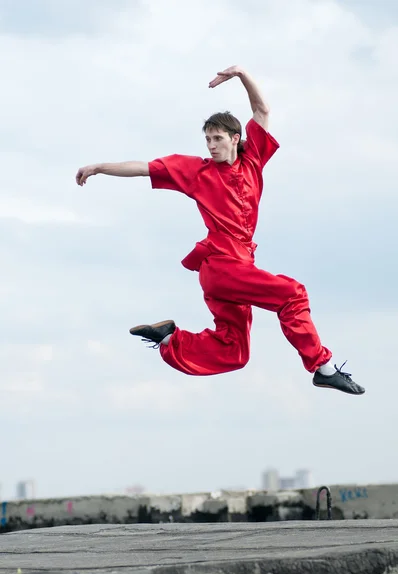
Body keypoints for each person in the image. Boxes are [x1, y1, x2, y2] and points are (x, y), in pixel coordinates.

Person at [76, 65, 365, 395]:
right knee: (292, 293)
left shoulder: (253, 159)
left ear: (235, 138)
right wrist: (99, 167)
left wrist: (242, 74)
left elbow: (262, 109)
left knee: (235, 351)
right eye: (207, 139)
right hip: (222, 266)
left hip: (239, 268)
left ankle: (170, 338)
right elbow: (143, 168)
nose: (211, 145)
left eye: (217, 139)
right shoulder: (196, 171)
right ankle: (323, 367)